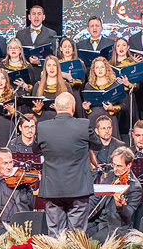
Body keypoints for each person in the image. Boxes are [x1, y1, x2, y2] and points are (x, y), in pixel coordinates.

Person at [36, 92, 103, 234]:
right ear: (73, 107)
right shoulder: (83, 125)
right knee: (77, 235)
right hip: (79, 188)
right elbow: (98, 145)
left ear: (55, 107)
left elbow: (35, 151)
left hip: (52, 188)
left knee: (55, 234)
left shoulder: (43, 127)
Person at [87, 147, 143, 241]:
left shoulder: (135, 187)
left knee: (90, 243)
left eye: (119, 166)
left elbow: (127, 216)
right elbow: (96, 198)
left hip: (115, 228)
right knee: (77, 236)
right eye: (114, 164)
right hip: (99, 221)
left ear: (129, 165)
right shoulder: (110, 175)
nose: (115, 169)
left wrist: (120, 206)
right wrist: (84, 211)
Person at [31, 55, 72, 123]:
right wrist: (37, 109)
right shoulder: (38, 86)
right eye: (49, 65)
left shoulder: (66, 86)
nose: (51, 68)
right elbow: (32, 110)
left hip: (61, 121)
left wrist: (60, 109)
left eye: (54, 65)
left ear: (58, 68)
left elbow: (71, 107)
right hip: (42, 121)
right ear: (45, 68)